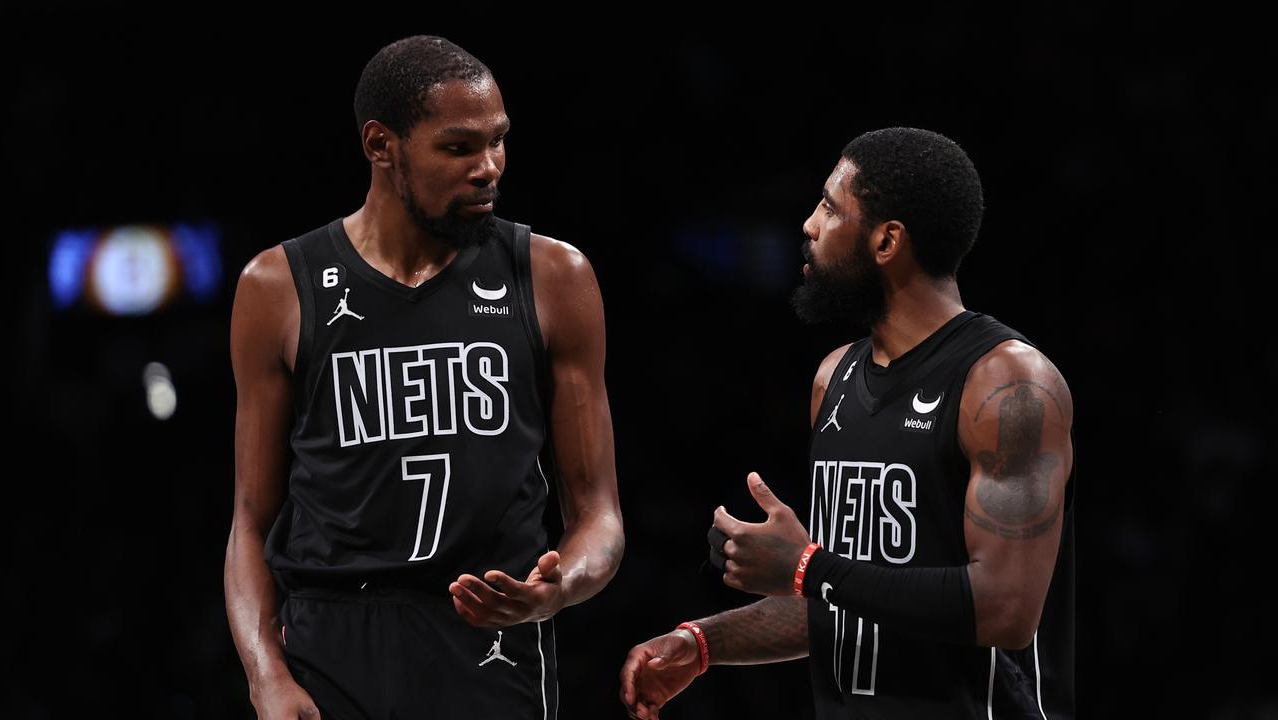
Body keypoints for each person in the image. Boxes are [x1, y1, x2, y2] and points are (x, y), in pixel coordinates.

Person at [225, 35, 623, 720]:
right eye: (459, 147)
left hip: (487, 642)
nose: (489, 168)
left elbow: (599, 516)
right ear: (381, 145)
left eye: (499, 142)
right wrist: (266, 676)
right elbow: (249, 521)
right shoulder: (278, 286)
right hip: (328, 645)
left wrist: (560, 590)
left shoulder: (555, 277)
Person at [621, 128, 1074, 719]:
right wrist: (703, 642)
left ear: (886, 242)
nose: (809, 225)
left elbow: (1006, 610)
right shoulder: (832, 378)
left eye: (831, 208)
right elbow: (845, 595)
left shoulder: (1008, 384)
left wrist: (806, 566)